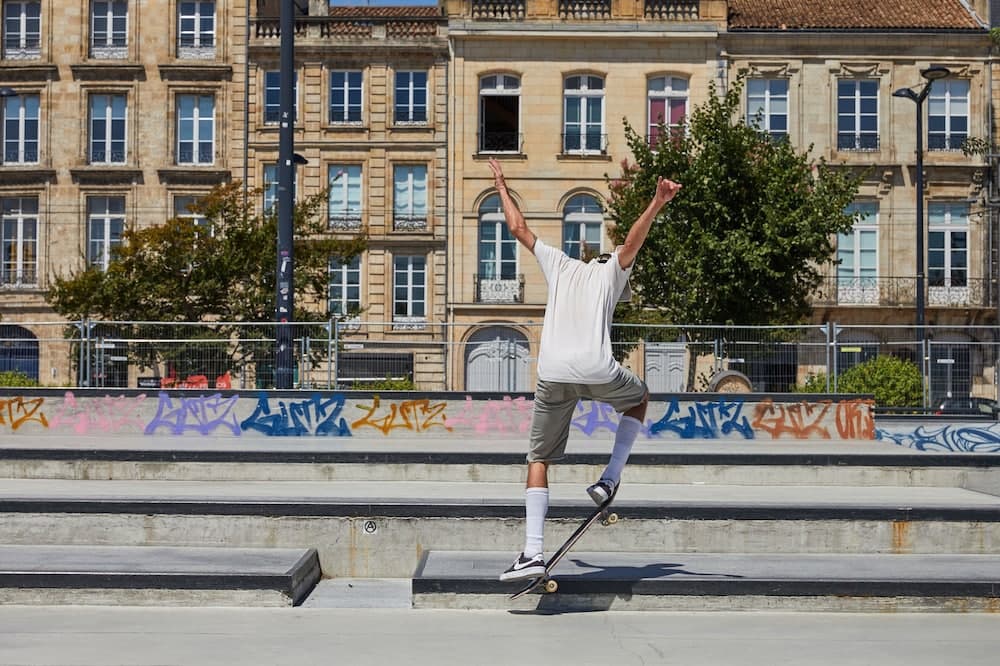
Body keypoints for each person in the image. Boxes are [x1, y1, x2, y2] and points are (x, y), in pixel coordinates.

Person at [488, 158, 682, 582]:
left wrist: (501, 185)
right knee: (640, 398)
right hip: (597, 369)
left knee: (539, 458)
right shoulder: (612, 271)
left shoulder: (557, 263)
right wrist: (657, 202)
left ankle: (532, 552)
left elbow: (518, 228)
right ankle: (609, 479)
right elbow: (632, 242)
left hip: (553, 371)